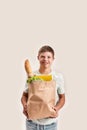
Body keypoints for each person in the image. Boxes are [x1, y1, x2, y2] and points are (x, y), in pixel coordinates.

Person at [21, 45, 65, 130]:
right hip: (32, 123)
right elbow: (24, 96)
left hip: (51, 124)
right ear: (38, 58)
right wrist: (25, 106)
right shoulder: (31, 76)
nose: (45, 59)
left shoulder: (57, 77)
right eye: (42, 57)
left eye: (49, 57)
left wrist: (56, 109)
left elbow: (62, 98)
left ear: (53, 59)